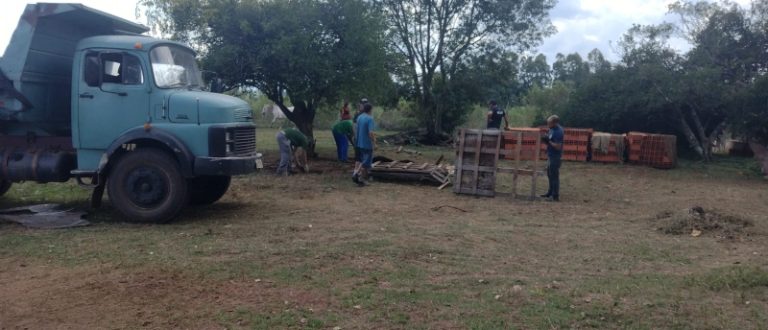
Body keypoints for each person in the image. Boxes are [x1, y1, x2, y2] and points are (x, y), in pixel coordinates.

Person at [541, 115, 564, 201]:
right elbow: (550, 140)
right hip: (550, 155)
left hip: (555, 156)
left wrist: (549, 141)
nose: (548, 124)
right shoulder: (552, 129)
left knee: (554, 176)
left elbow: (558, 146)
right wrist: (545, 141)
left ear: (555, 123)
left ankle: (555, 196)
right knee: (550, 174)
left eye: (549, 123)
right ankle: (550, 192)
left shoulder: (558, 131)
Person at [352, 103, 376, 186]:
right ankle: (358, 176)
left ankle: (361, 177)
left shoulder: (359, 117)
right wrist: (374, 142)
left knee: (362, 161)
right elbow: (370, 133)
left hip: (359, 142)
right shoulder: (370, 119)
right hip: (367, 143)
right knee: (365, 162)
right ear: (370, 110)